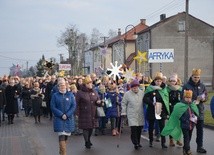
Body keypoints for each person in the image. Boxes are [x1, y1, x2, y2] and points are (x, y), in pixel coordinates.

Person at [161, 90, 199, 155]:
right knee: (186, 137)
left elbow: (196, 113)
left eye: (189, 97)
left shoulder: (192, 105)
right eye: (187, 97)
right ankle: (188, 150)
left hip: (191, 125)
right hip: (184, 125)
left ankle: (185, 149)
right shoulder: (179, 105)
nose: (188, 99)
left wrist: (195, 118)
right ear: (184, 97)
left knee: (189, 137)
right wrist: (184, 119)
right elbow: (176, 115)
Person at [182, 69, 208, 153]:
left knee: (200, 131)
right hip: (190, 112)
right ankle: (186, 147)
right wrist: (192, 100)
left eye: (198, 77)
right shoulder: (186, 86)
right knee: (189, 130)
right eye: (195, 77)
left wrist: (203, 98)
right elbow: (182, 99)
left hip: (200, 111)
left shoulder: (202, 86)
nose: (196, 78)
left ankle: (200, 147)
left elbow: (206, 96)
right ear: (192, 76)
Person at [143, 72, 170, 148]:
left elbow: (166, 99)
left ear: (162, 81)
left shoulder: (164, 89)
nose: (158, 82)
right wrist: (151, 103)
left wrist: (165, 108)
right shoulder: (150, 88)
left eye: (160, 81)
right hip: (152, 109)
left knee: (162, 127)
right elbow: (145, 98)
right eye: (157, 81)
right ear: (154, 81)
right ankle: (151, 140)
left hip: (161, 110)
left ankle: (163, 143)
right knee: (151, 126)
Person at [51, 78, 76, 155]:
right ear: (58, 87)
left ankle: (61, 152)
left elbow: (73, 106)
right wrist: (61, 114)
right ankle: (64, 153)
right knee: (61, 136)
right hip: (59, 119)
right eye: (61, 85)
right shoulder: (55, 95)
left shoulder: (70, 95)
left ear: (66, 85)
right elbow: (53, 106)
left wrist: (67, 114)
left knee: (65, 138)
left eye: (64, 85)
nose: (62, 86)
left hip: (68, 119)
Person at [75, 76, 101, 149]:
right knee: (85, 128)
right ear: (85, 84)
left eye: (91, 83)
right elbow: (76, 103)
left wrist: (99, 102)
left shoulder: (94, 91)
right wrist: (77, 113)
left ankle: (88, 139)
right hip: (84, 113)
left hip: (93, 112)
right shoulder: (80, 93)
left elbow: (98, 100)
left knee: (91, 128)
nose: (90, 85)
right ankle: (86, 142)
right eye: (88, 83)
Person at [121, 79, 144, 150]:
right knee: (134, 129)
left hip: (140, 113)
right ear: (131, 88)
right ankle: (135, 143)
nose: (135, 89)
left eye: (136, 87)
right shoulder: (127, 94)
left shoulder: (142, 93)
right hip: (131, 114)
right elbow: (124, 103)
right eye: (133, 88)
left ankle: (138, 142)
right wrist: (123, 112)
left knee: (139, 129)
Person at [167, 73, 183, 147]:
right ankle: (171, 140)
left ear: (176, 81)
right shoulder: (167, 89)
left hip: (178, 108)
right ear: (169, 81)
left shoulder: (180, 89)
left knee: (178, 124)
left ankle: (178, 139)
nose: (173, 82)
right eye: (171, 81)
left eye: (174, 81)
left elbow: (182, 98)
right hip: (170, 108)